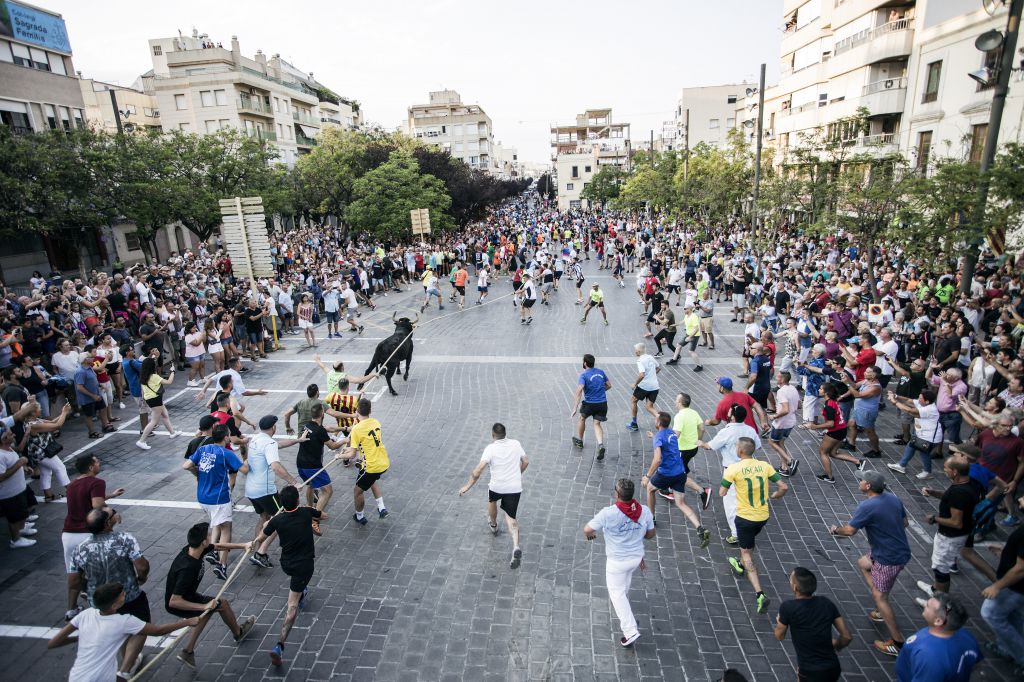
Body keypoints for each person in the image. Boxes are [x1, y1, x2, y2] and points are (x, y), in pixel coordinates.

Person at [829, 470, 912, 657]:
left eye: (861, 480)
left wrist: (835, 530)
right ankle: (880, 599)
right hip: (893, 551)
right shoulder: (893, 498)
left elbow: (849, 531)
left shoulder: (867, 506)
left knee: (880, 597)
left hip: (888, 558)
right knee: (863, 563)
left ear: (868, 486)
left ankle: (897, 643)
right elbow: (905, 523)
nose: (859, 482)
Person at [48, 582, 199, 682]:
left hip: (76, 677)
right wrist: (187, 622)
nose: (124, 595)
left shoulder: (85, 614)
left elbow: (54, 642)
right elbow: (157, 630)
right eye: (122, 596)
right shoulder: (124, 621)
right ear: (114, 605)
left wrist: (79, 638)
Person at [68, 507, 151, 673]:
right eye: (112, 514)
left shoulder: (80, 548)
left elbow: (74, 582)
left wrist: (74, 604)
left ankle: (127, 660)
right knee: (142, 628)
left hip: (99, 600)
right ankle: (127, 666)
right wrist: (141, 578)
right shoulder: (124, 539)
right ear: (107, 524)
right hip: (127, 596)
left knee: (116, 630)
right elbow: (142, 566)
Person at [164, 522, 256, 670]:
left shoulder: (195, 549)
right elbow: (174, 601)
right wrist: (203, 606)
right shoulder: (188, 568)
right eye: (208, 535)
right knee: (213, 607)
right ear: (203, 542)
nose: (210, 536)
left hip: (189, 596)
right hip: (181, 602)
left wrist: (243, 545)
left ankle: (189, 650)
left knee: (219, 606)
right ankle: (189, 650)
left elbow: (217, 546)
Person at [253, 485, 323, 667]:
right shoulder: (306, 512)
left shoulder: (277, 520)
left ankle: (302, 592)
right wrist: (313, 516)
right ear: (298, 501)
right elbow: (323, 515)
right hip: (303, 566)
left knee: (299, 586)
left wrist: (266, 527)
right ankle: (280, 645)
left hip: (286, 564)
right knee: (292, 606)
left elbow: (261, 536)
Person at [583, 478, 656, 647]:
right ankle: (625, 608)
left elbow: (587, 529)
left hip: (617, 562)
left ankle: (630, 631)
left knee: (617, 594)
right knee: (623, 586)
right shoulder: (644, 511)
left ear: (617, 494)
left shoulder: (608, 513)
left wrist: (590, 536)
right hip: (635, 558)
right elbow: (650, 534)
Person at [721, 437, 788, 614]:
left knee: (746, 553)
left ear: (740, 451)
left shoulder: (733, 469)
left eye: (736, 446)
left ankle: (760, 593)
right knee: (748, 545)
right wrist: (776, 495)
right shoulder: (765, 466)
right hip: (763, 516)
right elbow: (783, 487)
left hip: (744, 518)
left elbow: (722, 492)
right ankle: (740, 563)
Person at [458, 422, 529, 569]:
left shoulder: (490, 449)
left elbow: (478, 470)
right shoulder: (516, 444)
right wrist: (518, 474)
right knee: (511, 517)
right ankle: (516, 546)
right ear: (505, 434)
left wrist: (467, 486)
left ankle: (494, 524)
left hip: (497, 486)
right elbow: (526, 461)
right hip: (514, 487)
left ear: (493, 435)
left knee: (492, 501)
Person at [63, 454, 125, 618]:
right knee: (99, 573)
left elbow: (87, 498)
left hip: (69, 534)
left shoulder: (72, 484)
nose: (99, 463)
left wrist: (111, 495)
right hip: (87, 534)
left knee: (74, 574)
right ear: (91, 467)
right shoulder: (97, 482)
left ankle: (71, 609)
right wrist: (112, 513)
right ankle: (100, 606)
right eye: (97, 462)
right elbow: (97, 505)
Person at [182, 424, 247, 577]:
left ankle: (213, 551)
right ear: (225, 437)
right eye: (229, 435)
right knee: (226, 529)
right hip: (219, 498)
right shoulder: (226, 453)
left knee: (216, 522)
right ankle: (222, 564)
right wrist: (247, 457)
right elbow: (244, 470)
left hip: (203, 497)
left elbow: (186, 465)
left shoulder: (203, 449)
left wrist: (197, 473)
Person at [641, 411, 710, 547]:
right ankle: (700, 528)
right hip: (680, 473)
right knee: (681, 503)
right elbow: (665, 440)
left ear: (658, 423)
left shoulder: (659, 438)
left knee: (649, 489)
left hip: (666, 474)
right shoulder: (672, 433)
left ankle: (651, 519)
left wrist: (647, 476)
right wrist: (654, 436)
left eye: (656, 419)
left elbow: (657, 459)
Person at [915, 458, 979, 603]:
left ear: (955, 472)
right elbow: (953, 498)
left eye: (946, 468)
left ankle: (940, 604)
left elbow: (956, 522)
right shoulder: (968, 483)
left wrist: (934, 519)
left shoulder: (959, 492)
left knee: (941, 569)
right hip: (957, 534)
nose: (944, 470)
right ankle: (935, 590)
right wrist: (934, 493)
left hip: (950, 538)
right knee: (940, 567)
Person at [774, 566, 852, 682]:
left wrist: (779, 621)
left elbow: (779, 636)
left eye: (790, 580)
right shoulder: (826, 603)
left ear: (795, 587)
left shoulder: (788, 607)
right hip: (833, 668)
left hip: (809, 672)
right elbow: (846, 637)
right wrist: (836, 646)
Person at [698, 404, 762, 545]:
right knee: (745, 499)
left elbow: (710, 446)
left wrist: (700, 443)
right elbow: (757, 446)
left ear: (732, 416)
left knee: (731, 502)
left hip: (732, 471)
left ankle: (736, 533)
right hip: (749, 469)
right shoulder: (750, 429)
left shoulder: (726, 432)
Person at [245, 415, 304, 568]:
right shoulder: (269, 443)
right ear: (273, 427)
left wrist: (298, 440)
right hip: (265, 491)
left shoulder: (256, 439)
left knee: (264, 517)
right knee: (280, 517)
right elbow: (276, 466)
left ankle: (256, 549)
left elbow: (279, 444)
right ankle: (261, 553)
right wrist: (294, 482)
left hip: (251, 489)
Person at [980, 492, 1024, 674]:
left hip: (1015, 586)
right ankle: (1006, 648)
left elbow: (1021, 569)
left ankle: (1021, 655)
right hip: (1017, 587)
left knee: (990, 614)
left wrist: (997, 586)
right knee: (1015, 617)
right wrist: (1007, 551)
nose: (1020, 498)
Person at [895, 593, 982, 682]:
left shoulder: (930, 657)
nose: (924, 605)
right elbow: (974, 663)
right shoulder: (967, 637)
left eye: (928, 606)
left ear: (938, 621)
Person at [295, 402, 347, 532]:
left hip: (300, 464)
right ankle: (314, 519)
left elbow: (328, 428)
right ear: (322, 414)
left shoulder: (307, 425)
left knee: (311, 485)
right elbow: (332, 446)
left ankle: (309, 508)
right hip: (313, 467)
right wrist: (345, 440)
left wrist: (345, 428)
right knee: (328, 491)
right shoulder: (320, 431)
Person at [802, 383, 864, 484]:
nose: (819, 390)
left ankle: (829, 477)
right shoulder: (833, 401)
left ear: (826, 393)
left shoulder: (829, 406)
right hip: (842, 429)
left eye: (821, 389)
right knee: (833, 453)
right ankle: (857, 461)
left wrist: (814, 426)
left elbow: (830, 424)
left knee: (823, 452)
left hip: (835, 432)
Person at [344, 398, 391, 525]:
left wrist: (339, 456)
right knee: (371, 480)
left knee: (357, 491)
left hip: (371, 466)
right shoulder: (376, 422)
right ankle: (381, 508)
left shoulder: (356, 429)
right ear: (370, 411)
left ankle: (360, 517)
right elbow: (367, 443)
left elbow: (352, 454)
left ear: (357, 411)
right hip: (383, 461)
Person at [887, 388, 943, 478]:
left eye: (920, 398)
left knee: (924, 453)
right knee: (910, 446)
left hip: (929, 437)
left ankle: (927, 472)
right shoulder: (923, 403)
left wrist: (895, 402)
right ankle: (901, 465)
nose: (918, 399)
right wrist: (896, 396)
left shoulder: (929, 409)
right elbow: (908, 401)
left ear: (927, 401)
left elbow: (909, 411)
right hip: (921, 434)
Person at [0, 426, 36, 548]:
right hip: (10, 494)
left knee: (21, 513)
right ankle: (16, 540)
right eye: (11, 434)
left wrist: (24, 467)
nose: (14, 435)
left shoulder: (8, 448)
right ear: (4, 439)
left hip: (19, 489)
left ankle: (22, 528)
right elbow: (1, 477)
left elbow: (13, 463)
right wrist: (19, 464)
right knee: (14, 518)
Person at [571, 353, 610, 459]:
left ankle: (580, 440)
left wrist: (575, 407)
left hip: (589, 404)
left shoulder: (584, 375)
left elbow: (579, 390)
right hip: (602, 404)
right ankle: (600, 445)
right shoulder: (601, 372)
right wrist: (600, 391)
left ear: (585, 363)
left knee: (582, 418)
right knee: (597, 423)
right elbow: (609, 385)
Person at [136, 357, 176, 450]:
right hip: (155, 399)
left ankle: (172, 433)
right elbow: (169, 382)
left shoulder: (143, 376)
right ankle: (141, 441)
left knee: (165, 414)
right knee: (154, 421)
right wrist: (172, 372)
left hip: (149, 398)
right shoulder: (154, 376)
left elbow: (142, 390)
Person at [768, 371, 800, 476]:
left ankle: (790, 461)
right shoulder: (793, 388)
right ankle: (784, 468)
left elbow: (785, 410)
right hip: (791, 421)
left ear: (782, 379)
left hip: (781, 423)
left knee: (772, 442)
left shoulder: (781, 391)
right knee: (780, 443)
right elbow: (799, 405)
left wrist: (774, 416)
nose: (776, 378)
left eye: (778, 377)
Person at [626, 343, 659, 432]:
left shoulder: (640, 361)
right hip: (655, 386)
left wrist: (634, 384)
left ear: (638, 351)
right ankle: (659, 418)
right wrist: (651, 376)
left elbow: (642, 375)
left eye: (635, 350)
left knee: (633, 400)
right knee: (649, 407)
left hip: (644, 386)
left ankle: (634, 424)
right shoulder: (650, 357)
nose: (635, 352)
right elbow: (658, 368)